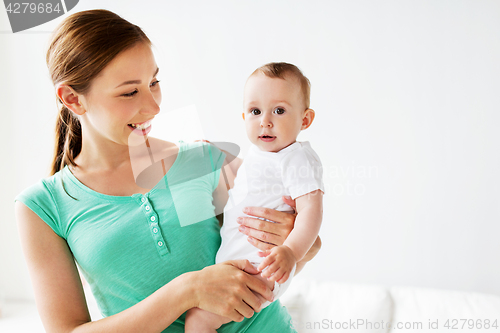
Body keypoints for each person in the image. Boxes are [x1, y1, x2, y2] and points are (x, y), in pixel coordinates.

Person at [13, 9, 322, 333]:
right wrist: (186, 291)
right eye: (130, 91)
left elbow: (309, 244)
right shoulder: (42, 207)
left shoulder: (200, 159)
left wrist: (290, 234)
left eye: (154, 82)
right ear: (73, 99)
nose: (154, 106)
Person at [184, 63, 324, 332]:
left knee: (198, 318)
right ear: (244, 116)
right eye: (255, 111)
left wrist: (291, 252)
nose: (265, 121)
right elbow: (248, 185)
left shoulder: (297, 158)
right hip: (243, 265)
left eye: (279, 111)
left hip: (264, 268)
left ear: (305, 120)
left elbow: (311, 211)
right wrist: (213, 152)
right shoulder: (261, 154)